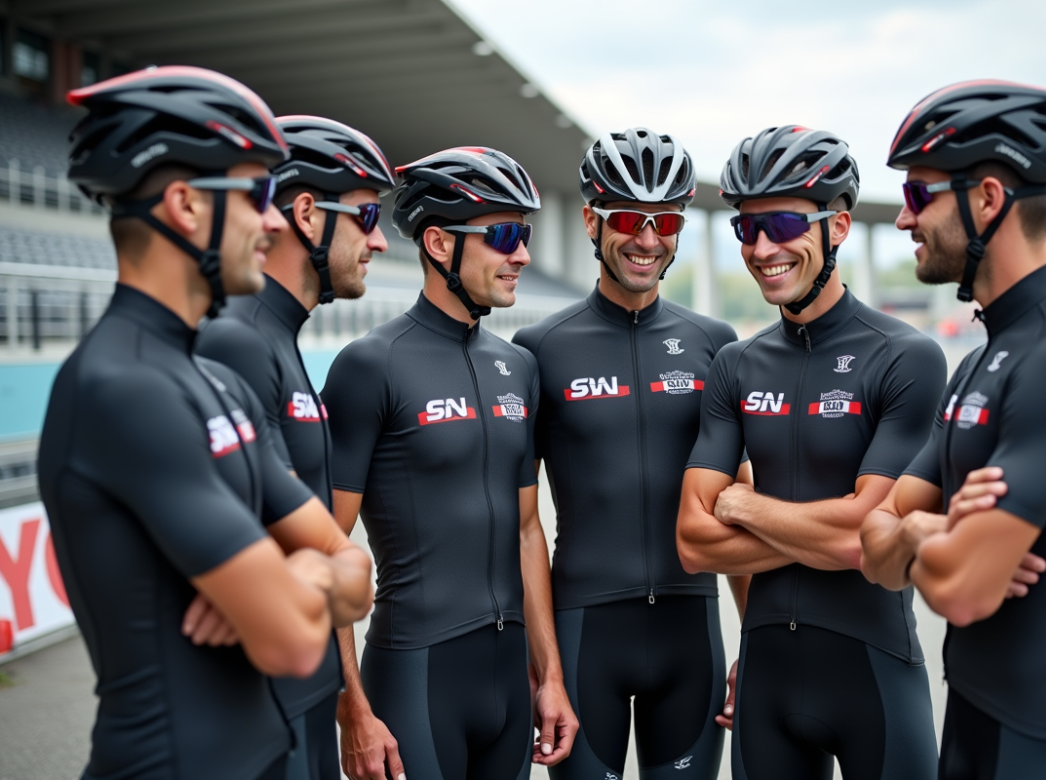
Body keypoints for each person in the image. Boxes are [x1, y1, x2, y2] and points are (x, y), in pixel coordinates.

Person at [37, 66, 373, 780]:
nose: (275, 219)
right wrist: (308, 576)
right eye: (255, 192)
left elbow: (357, 574)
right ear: (186, 205)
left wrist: (297, 574)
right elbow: (288, 638)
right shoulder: (122, 388)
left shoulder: (212, 378)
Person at [860, 80, 1046, 780]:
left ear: (987, 199)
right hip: (976, 725)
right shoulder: (985, 359)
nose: (904, 220)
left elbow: (963, 591)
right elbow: (871, 546)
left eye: (918, 194)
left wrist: (917, 537)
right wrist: (928, 532)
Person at [676, 126, 947, 780]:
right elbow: (693, 542)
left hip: (875, 672)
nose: (763, 248)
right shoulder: (736, 364)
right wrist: (837, 532)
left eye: (784, 224)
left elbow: (864, 541)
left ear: (840, 226)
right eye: (746, 230)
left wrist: (743, 504)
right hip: (767, 680)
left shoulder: (906, 357)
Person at [322, 146, 578, 780]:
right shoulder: (369, 365)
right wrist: (350, 707)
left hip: (508, 685)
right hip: (415, 677)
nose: (522, 254)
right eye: (505, 235)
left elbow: (525, 530)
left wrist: (550, 678)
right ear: (439, 244)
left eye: (525, 235)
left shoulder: (518, 366)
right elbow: (325, 549)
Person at [511, 128, 737, 780]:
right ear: (591, 219)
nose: (646, 238)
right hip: (585, 637)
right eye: (629, 220)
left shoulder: (714, 343)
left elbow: (733, 507)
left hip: (691, 632)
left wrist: (752, 639)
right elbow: (525, 526)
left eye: (664, 220)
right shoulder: (539, 348)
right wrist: (544, 670)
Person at [195, 114, 395, 780]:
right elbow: (271, 556)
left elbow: (314, 539)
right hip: (260, 708)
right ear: (308, 214)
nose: (381, 242)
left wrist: (350, 701)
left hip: (303, 696)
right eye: (367, 219)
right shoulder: (238, 339)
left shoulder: (279, 336)